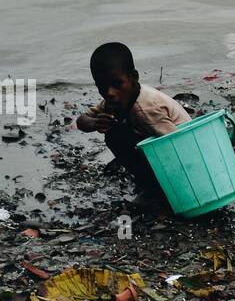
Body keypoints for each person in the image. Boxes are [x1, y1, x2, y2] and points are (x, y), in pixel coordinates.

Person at [76, 42, 190, 204]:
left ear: (133, 77)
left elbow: (179, 144)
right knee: (116, 133)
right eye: (102, 87)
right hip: (170, 153)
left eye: (117, 84)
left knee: (116, 136)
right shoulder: (117, 99)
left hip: (185, 160)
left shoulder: (145, 108)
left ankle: (156, 191)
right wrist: (94, 123)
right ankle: (154, 185)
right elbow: (82, 121)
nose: (109, 93)